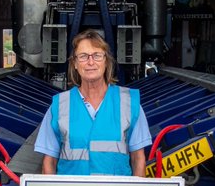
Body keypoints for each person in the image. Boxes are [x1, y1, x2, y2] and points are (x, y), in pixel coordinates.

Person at [35, 30, 152, 176]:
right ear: (75, 64)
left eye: (97, 55)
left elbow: (138, 159)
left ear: (106, 61)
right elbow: (49, 162)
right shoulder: (60, 105)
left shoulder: (128, 102)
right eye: (83, 56)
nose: (91, 62)